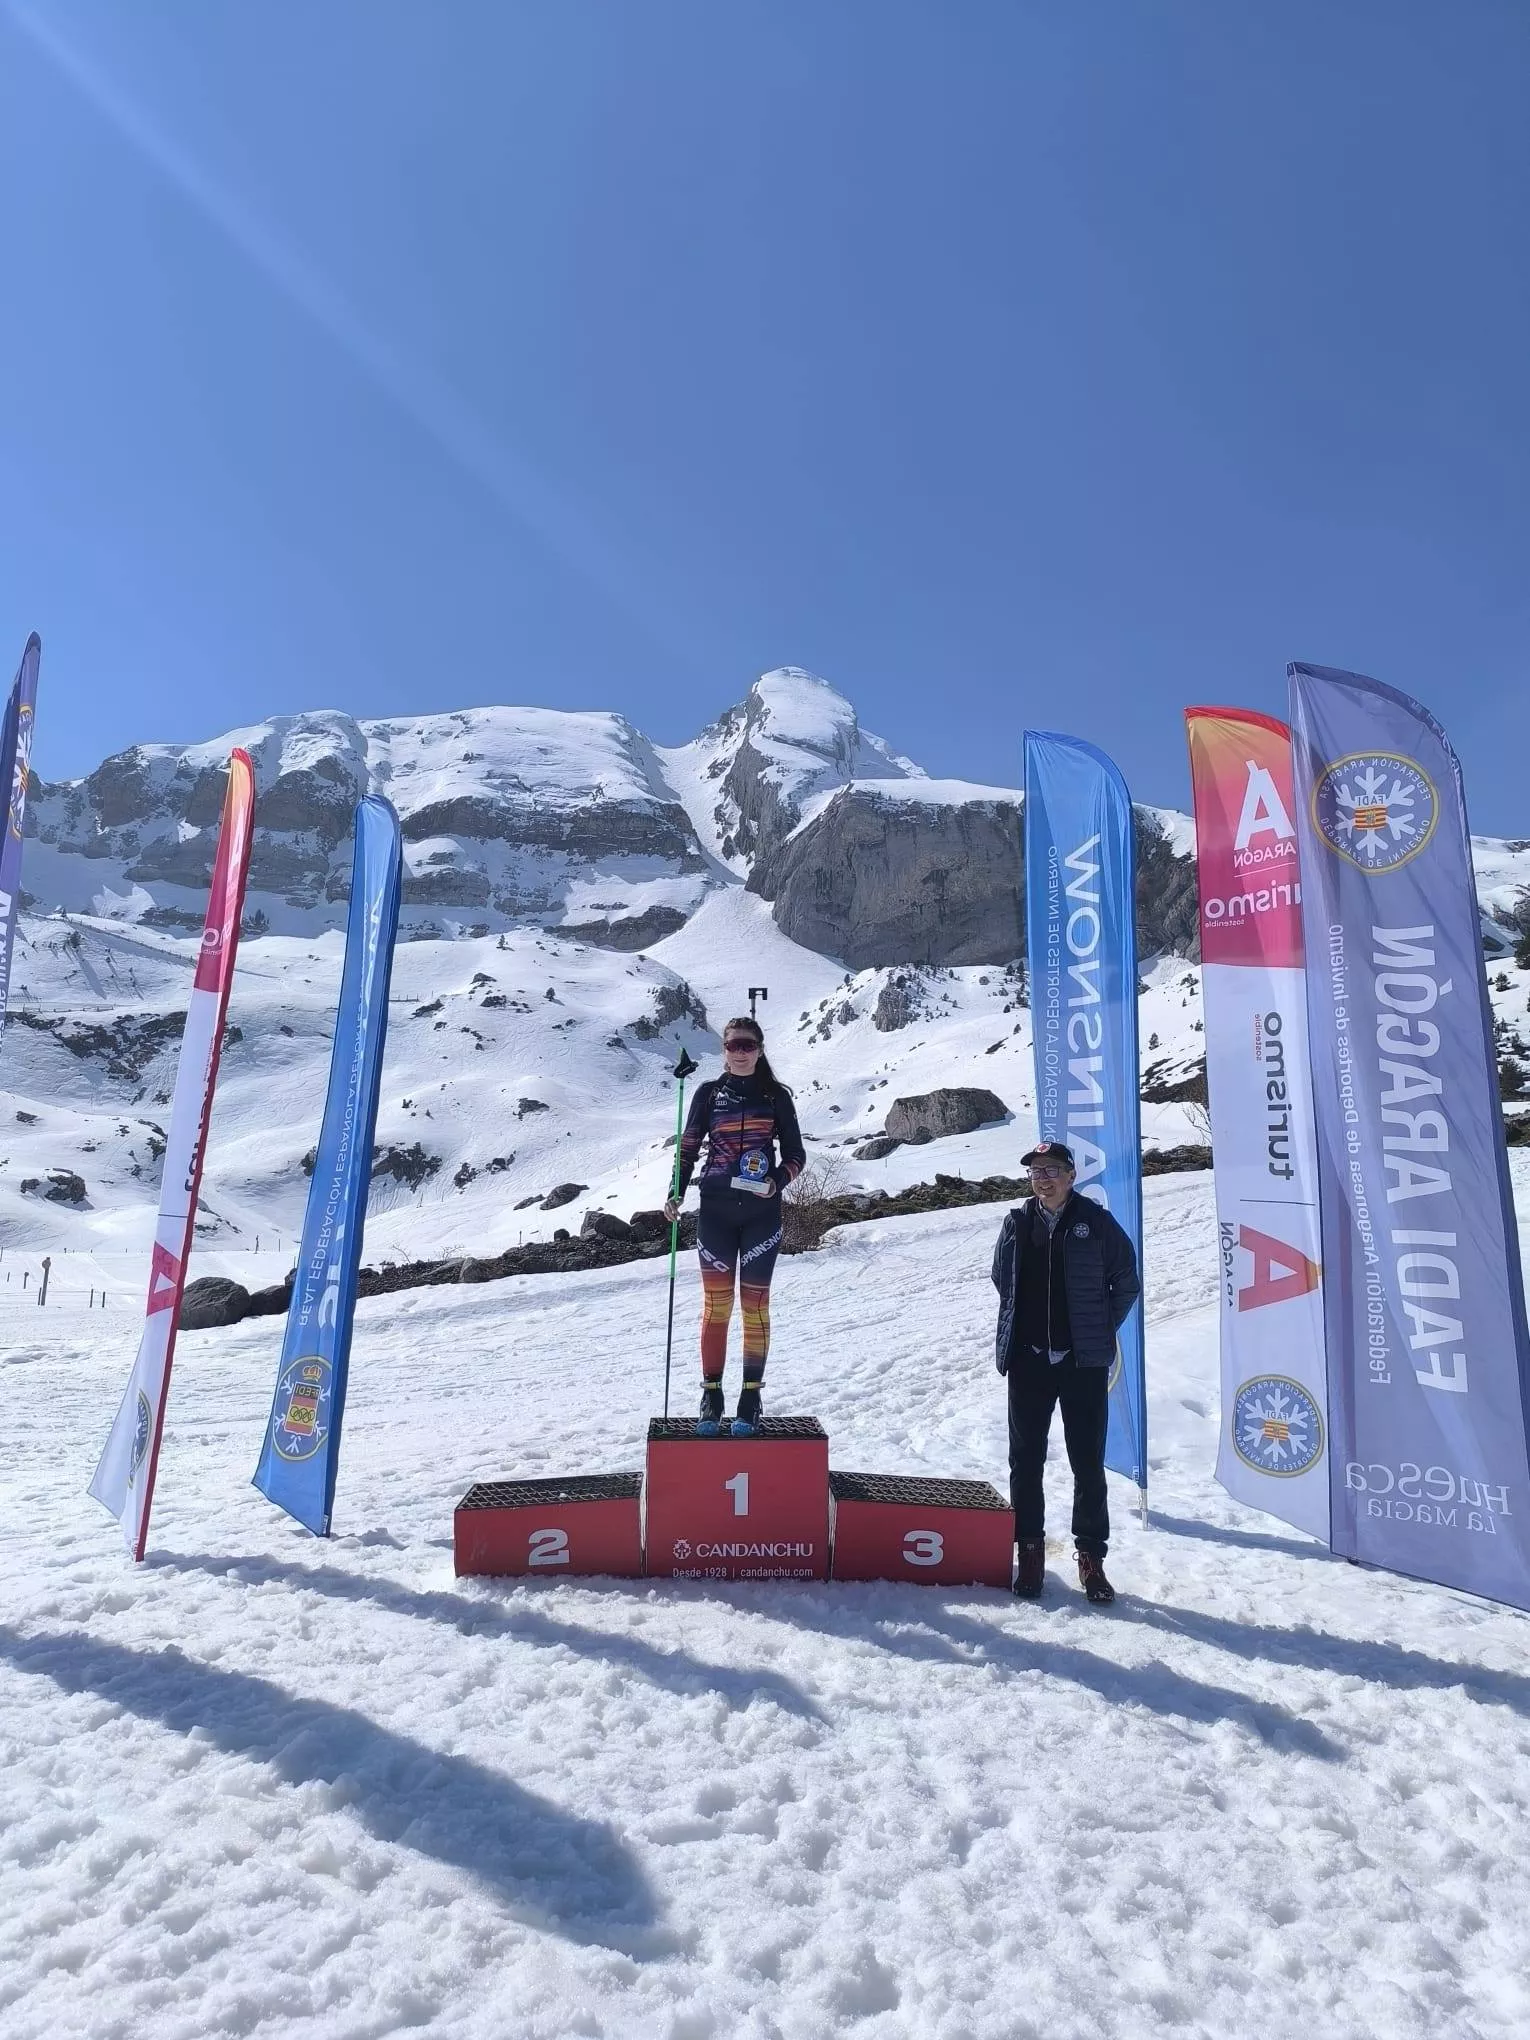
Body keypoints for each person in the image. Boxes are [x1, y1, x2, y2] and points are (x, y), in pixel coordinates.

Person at [991, 1140, 1141, 1604]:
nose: (1043, 1179)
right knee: (1025, 1460)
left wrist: (1098, 1327)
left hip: (1082, 1364)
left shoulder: (1096, 1223)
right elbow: (1002, 1279)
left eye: (1052, 1170)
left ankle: (1091, 1558)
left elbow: (1126, 1282)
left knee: (1087, 1462)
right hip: (1029, 1361)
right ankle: (1029, 1552)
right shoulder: (1017, 1223)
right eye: (1036, 1171)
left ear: (1072, 1176)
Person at [664, 1015, 805, 1436]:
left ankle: (750, 1396)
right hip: (716, 1212)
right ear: (723, 1050)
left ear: (760, 1050)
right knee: (716, 1306)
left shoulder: (775, 1096)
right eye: (732, 1045)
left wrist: (776, 1181)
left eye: (748, 1045)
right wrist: (675, 1191)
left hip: (762, 1214)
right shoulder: (708, 1094)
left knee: (755, 1305)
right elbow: (688, 1149)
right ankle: (711, 1395)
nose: (740, 1052)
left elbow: (796, 1155)